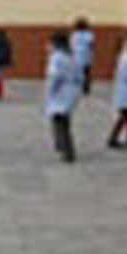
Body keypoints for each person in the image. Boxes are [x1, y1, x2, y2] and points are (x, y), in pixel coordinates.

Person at [44, 32, 83, 163]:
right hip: (71, 92)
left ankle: (65, 149)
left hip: (60, 92)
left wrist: (49, 90)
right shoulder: (71, 56)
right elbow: (80, 76)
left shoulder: (56, 58)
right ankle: (63, 146)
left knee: (59, 122)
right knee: (64, 121)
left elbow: (54, 76)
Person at [71, 17, 96, 96]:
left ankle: (77, 87)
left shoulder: (74, 34)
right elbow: (91, 45)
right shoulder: (89, 34)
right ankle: (86, 89)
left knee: (77, 73)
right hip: (86, 56)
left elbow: (72, 45)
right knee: (86, 73)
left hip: (76, 56)